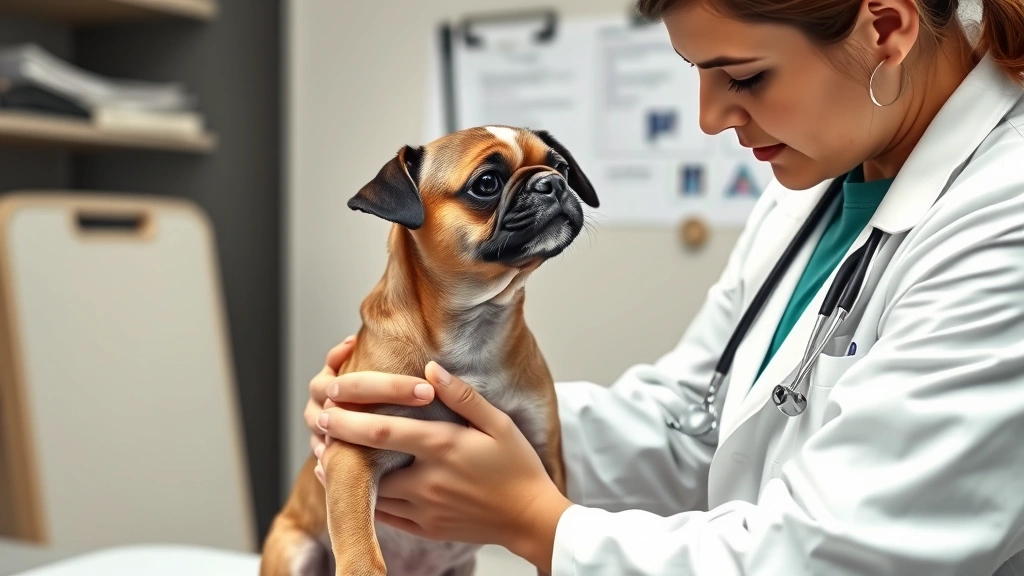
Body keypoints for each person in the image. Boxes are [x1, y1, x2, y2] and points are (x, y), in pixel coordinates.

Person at [304, 0, 1024, 573]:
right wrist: (428, 421)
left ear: (887, 29)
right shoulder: (815, 180)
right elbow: (695, 414)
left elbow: (842, 552)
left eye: (742, 76)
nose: (710, 118)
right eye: (698, 73)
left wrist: (537, 521)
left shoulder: (1004, 217)